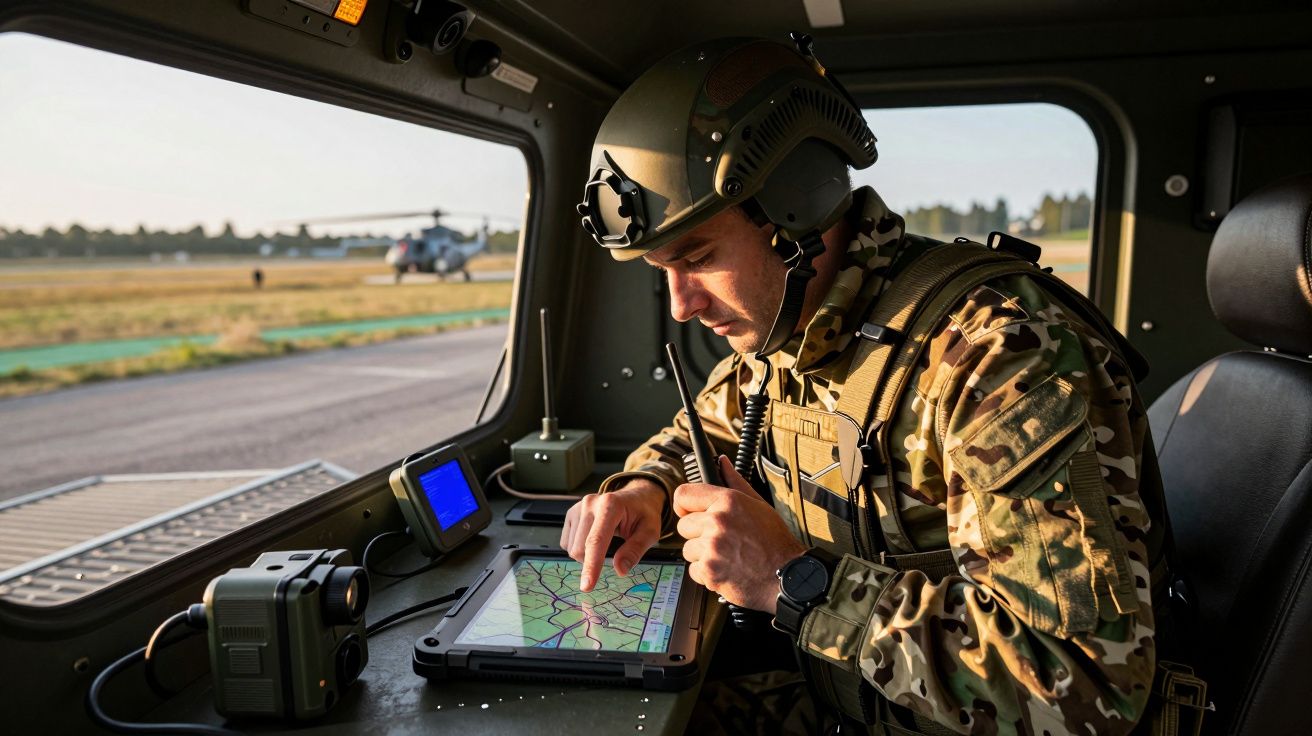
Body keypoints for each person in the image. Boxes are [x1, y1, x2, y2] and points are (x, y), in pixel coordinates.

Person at [563, 36, 1167, 736]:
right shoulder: (793, 334)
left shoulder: (994, 359)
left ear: (795, 208)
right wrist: (646, 490)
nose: (681, 305)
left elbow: (1087, 684)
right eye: (660, 269)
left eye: (697, 258)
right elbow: (707, 429)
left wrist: (791, 581)